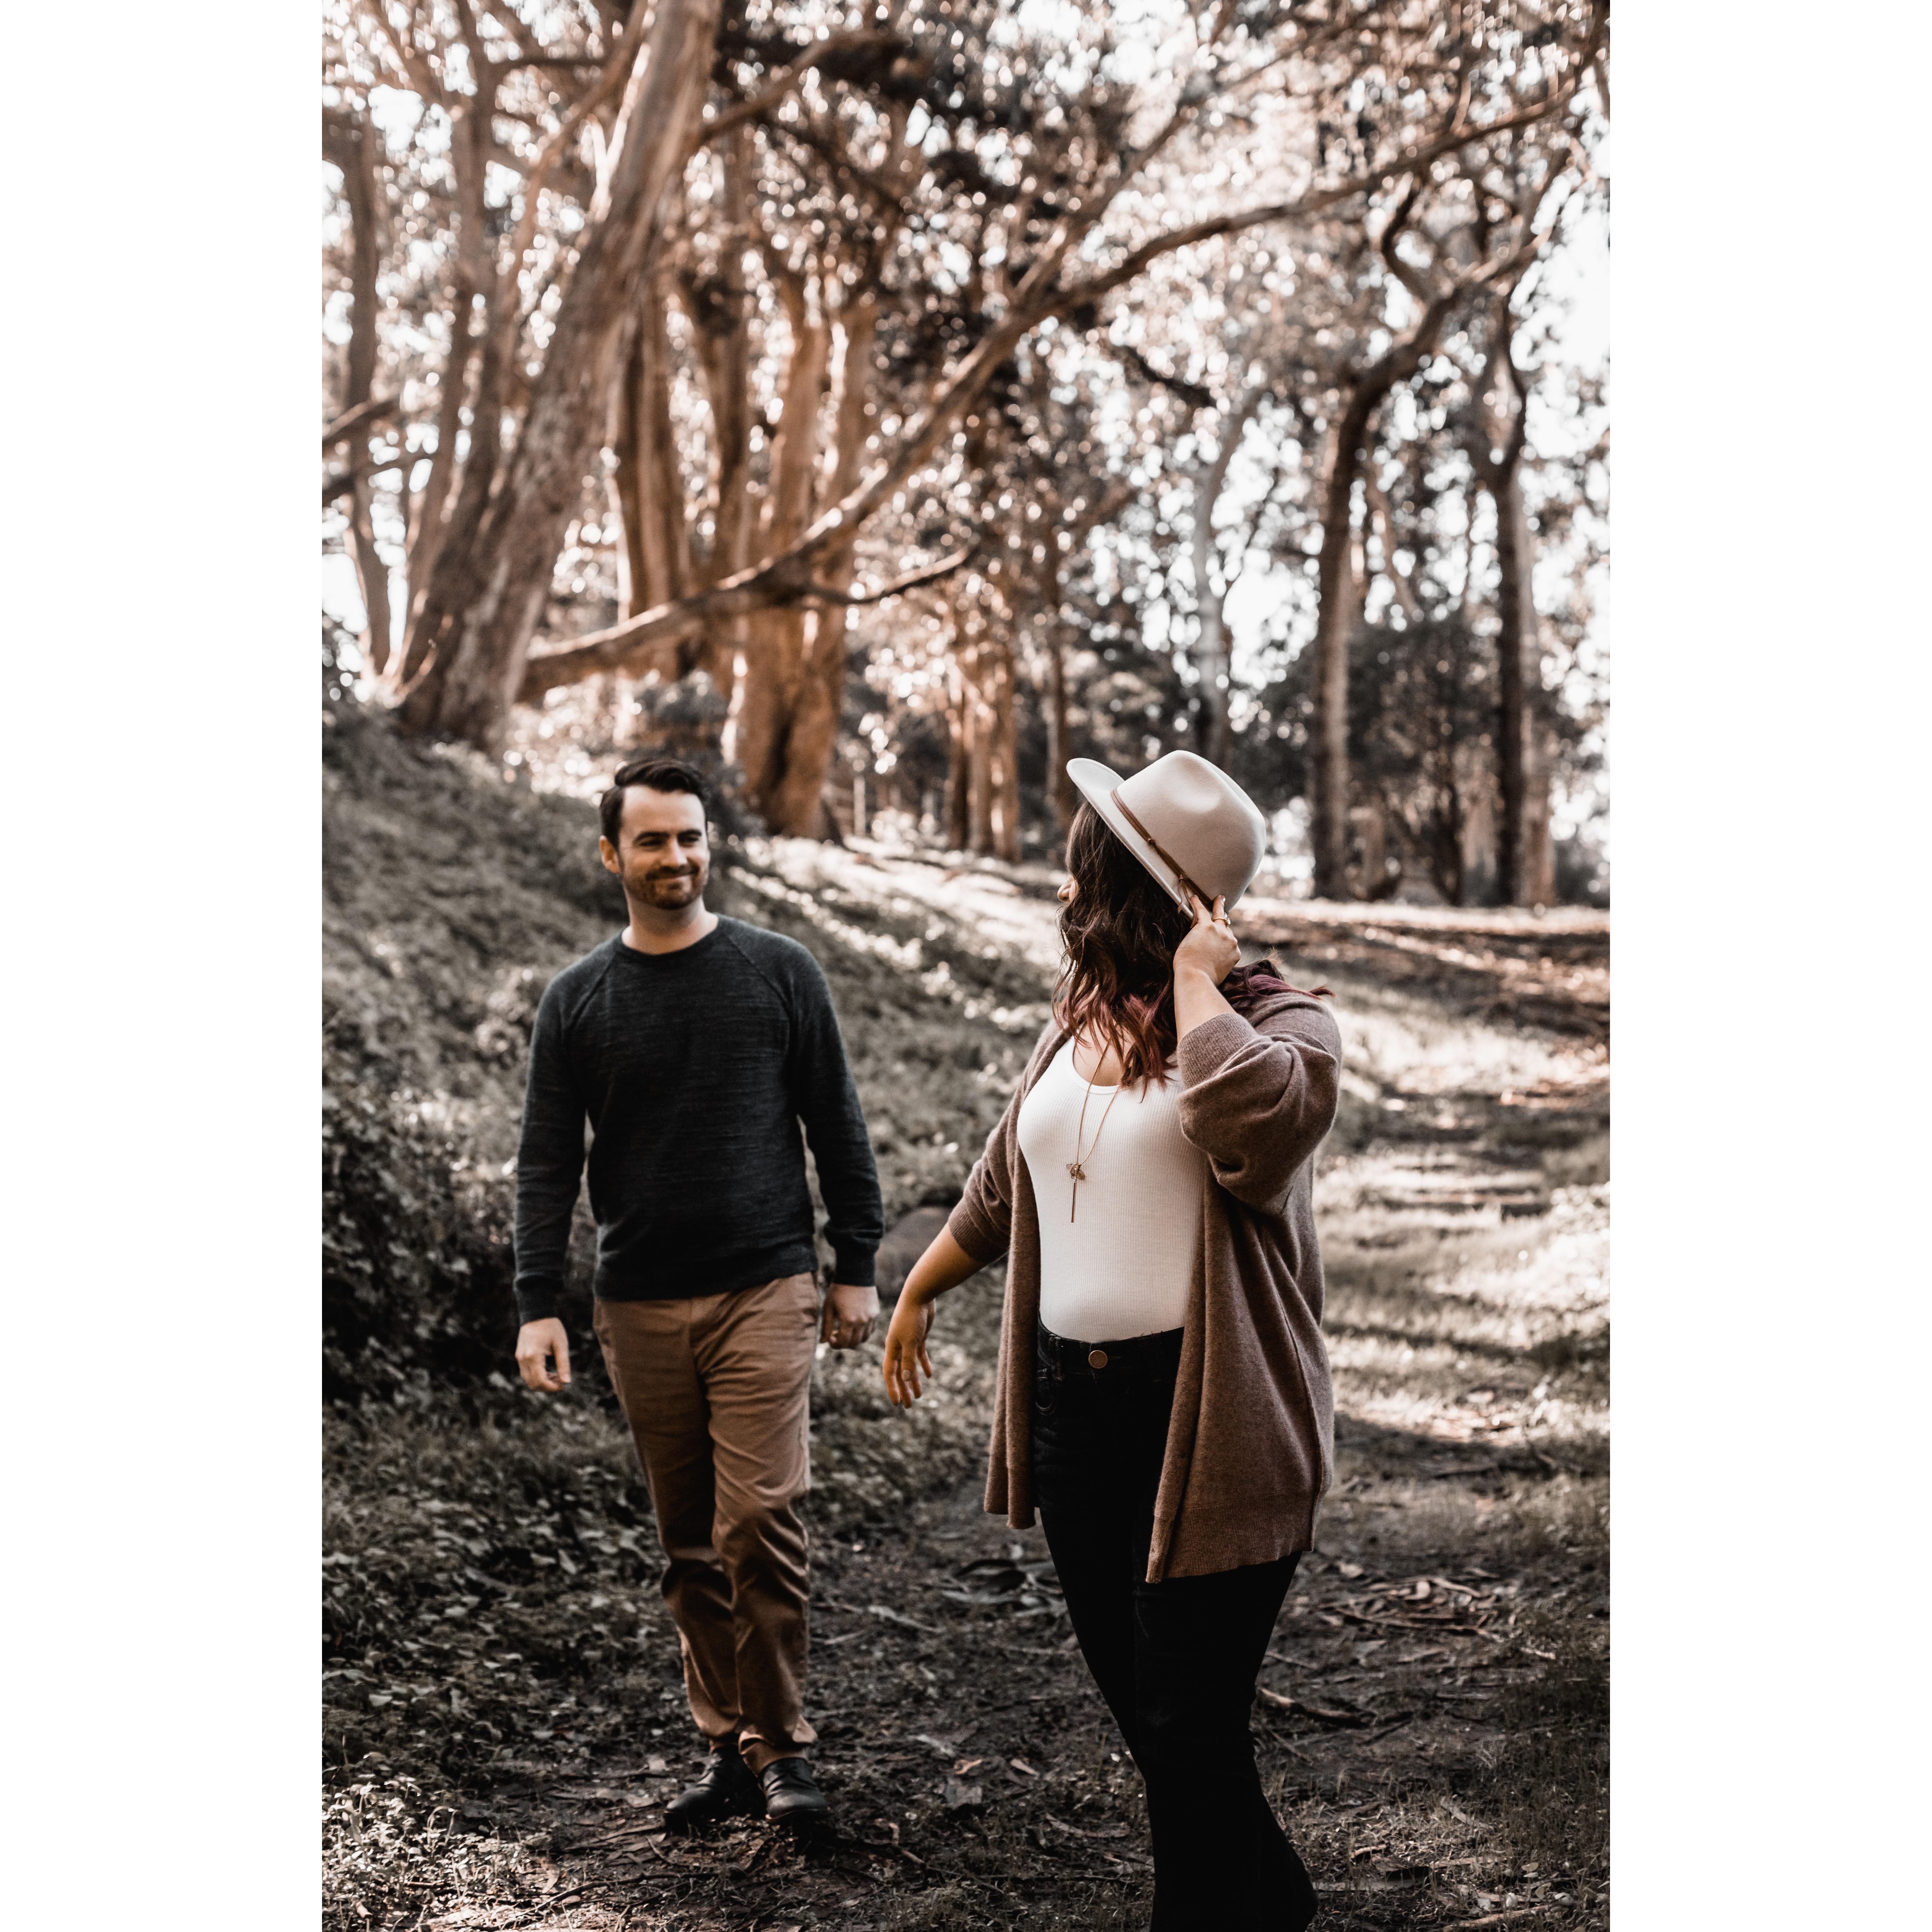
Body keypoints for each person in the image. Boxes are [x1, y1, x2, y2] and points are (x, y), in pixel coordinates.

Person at [882, 749, 1341, 1930]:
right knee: (1154, 1715)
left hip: (1213, 1425)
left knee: (1188, 1721)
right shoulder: (1077, 1017)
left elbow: (1254, 1127)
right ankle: (1274, 1906)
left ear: (1152, 892)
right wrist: (924, 1287)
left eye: (1088, 868)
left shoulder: (1284, 1028)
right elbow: (1007, 1179)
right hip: (1076, 1413)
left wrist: (1200, 986)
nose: (1065, 889)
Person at [511, 754, 883, 1831]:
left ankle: (783, 1748)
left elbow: (836, 1124)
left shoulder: (779, 971)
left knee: (759, 1517)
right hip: (637, 1305)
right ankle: (727, 1746)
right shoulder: (578, 1000)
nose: (676, 857)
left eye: (691, 837)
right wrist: (540, 1299)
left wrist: (854, 1263)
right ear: (611, 854)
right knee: (688, 1544)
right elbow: (545, 1163)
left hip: (765, 1287)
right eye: (653, 840)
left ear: (709, 845)